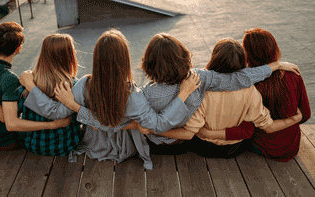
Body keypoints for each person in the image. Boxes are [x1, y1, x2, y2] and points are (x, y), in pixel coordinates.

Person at [20, 30, 300, 168]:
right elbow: (233, 79)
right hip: (169, 142)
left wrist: (37, 90)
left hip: (117, 144)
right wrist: (273, 67)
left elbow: (57, 112)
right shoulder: (192, 79)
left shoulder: (90, 85)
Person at [129, 37, 303, 158]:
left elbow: (160, 125)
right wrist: (275, 65)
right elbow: (237, 79)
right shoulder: (198, 79)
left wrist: (146, 128)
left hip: (163, 146)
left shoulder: (143, 94)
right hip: (197, 146)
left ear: (148, 63)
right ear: (183, 56)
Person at [204, 28, 311, 161]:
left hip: (262, 147)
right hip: (291, 146)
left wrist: (208, 133)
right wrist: (293, 120)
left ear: (248, 55)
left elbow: (247, 130)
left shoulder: (248, 85)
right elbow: (306, 115)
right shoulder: (293, 74)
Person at [0, 33, 84, 156]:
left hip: (34, 145)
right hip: (66, 145)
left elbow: (10, 118)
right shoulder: (74, 85)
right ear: (69, 56)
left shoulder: (26, 84)